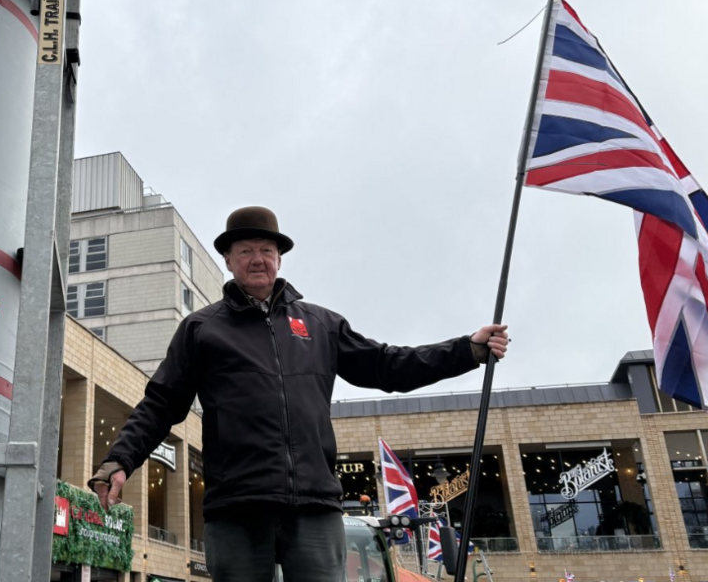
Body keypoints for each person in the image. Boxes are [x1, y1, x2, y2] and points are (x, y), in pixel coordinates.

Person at [87, 206, 509, 582]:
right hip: (237, 507)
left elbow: (387, 366)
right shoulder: (201, 329)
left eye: (267, 250)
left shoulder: (321, 325)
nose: (258, 259)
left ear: (279, 258)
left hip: (314, 507)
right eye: (247, 250)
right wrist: (121, 460)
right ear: (229, 259)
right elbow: (162, 402)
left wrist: (466, 350)